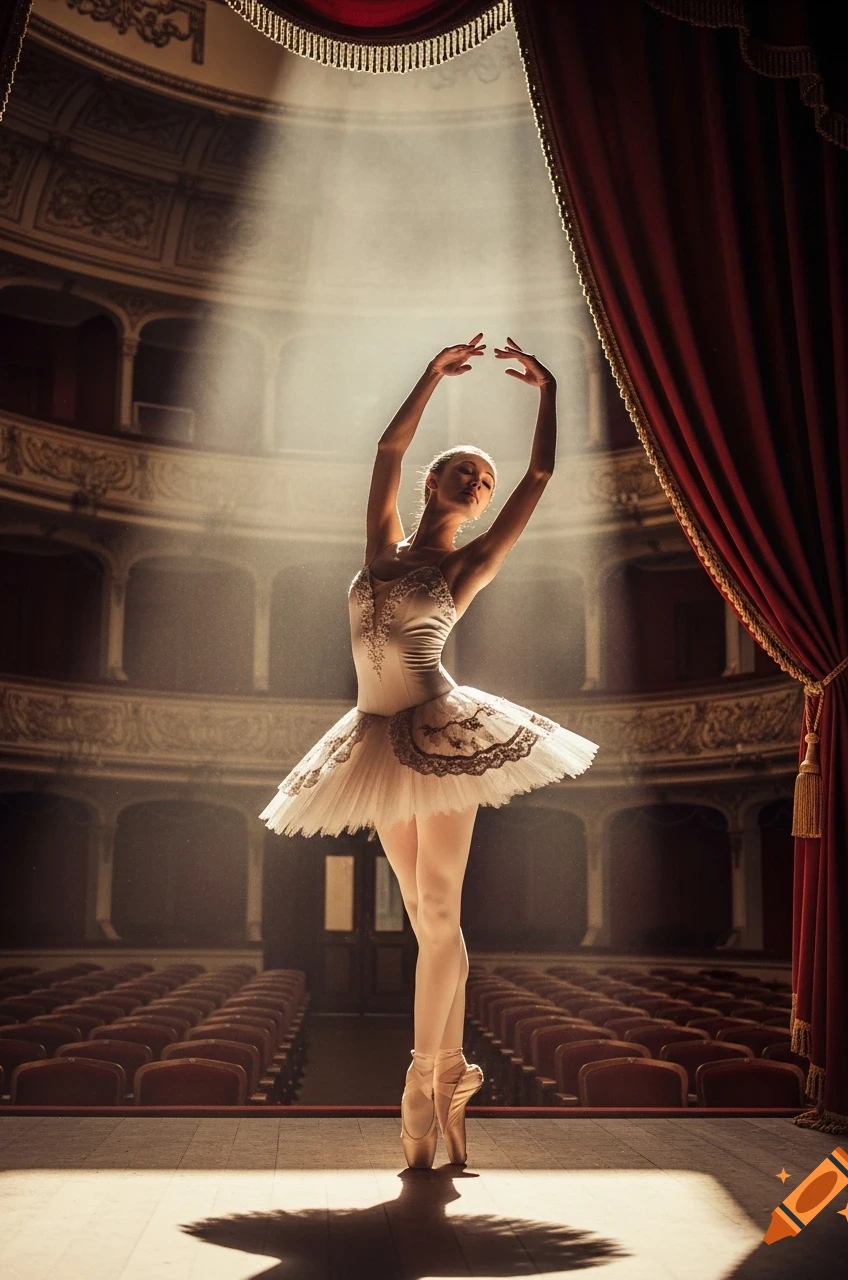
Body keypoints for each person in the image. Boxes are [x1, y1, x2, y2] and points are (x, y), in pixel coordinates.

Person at [260, 334, 599, 1168]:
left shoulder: (471, 562)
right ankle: (451, 1081)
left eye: (484, 481)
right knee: (425, 922)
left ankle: (418, 1084)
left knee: (440, 914)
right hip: (374, 738)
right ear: (433, 481)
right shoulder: (381, 543)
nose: (478, 484)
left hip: (439, 731)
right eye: (465, 471)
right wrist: (431, 375)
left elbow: (541, 478)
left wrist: (549, 394)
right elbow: (387, 445)